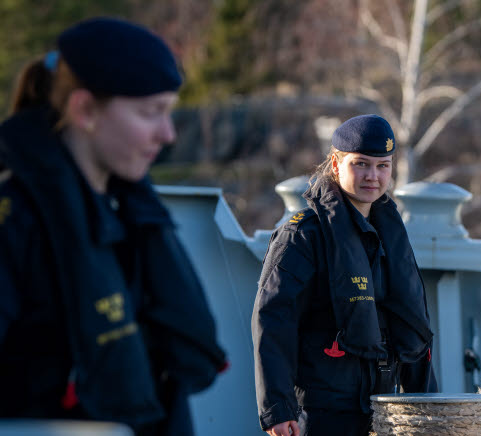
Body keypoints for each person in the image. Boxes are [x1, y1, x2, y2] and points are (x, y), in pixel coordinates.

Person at [0, 17, 227, 435]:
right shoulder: (15, 221)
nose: (168, 134)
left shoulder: (128, 211)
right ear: (84, 110)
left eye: (169, 112)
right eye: (150, 113)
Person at [253, 114, 438, 436]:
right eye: (361, 164)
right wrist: (277, 409)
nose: (373, 176)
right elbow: (273, 320)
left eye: (383, 166)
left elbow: (411, 326)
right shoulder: (303, 235)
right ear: (336, 165)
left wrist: (430, 406)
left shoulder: (390, 236)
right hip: (323, 411)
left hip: (385, 409)